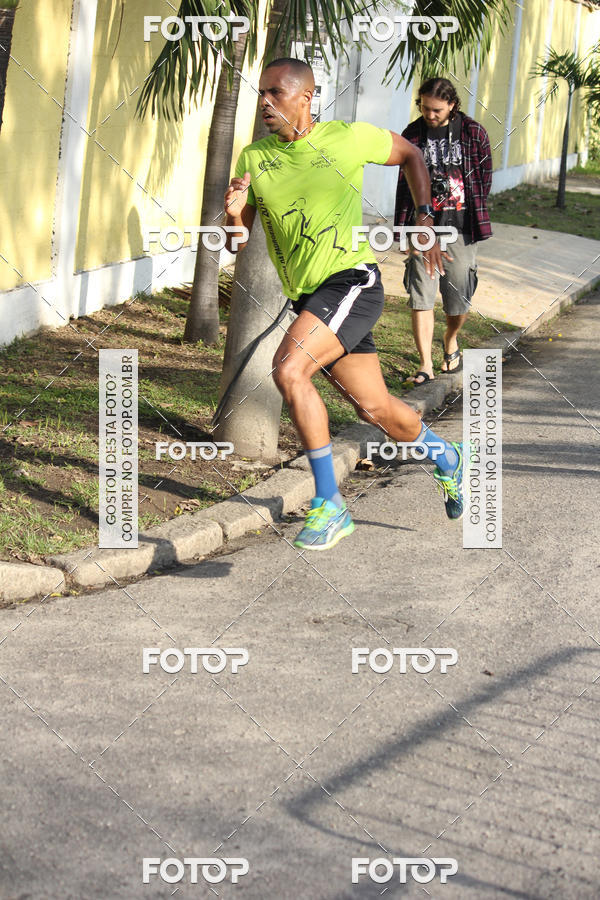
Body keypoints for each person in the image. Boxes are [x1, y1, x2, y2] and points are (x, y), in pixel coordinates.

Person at [223, 58, 465, 551]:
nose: (265, 103)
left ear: (306, 97)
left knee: (289, 371)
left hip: (352, 281)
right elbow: (238, 241)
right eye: (261, 94)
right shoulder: (254, 157)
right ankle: (446, 456)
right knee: (375, 407)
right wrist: (231, 218)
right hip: (310, 298)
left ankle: (330, 504)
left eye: (276, 93)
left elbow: (412, 155)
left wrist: (423, 216)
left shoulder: (346, 137)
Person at [394, 78, 492, 385]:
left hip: (459, 225)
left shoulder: (473, 133)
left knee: (457, 298)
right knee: (421, 294)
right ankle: (425, 364)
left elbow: (484, 178)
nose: (429, 115)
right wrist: (405, 228)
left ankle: (450, 339)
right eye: (424, 108)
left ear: (451, 105)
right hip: (423, 225)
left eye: (436, 109)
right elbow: (404, 183)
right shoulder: (412, 134)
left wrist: (469, 210)